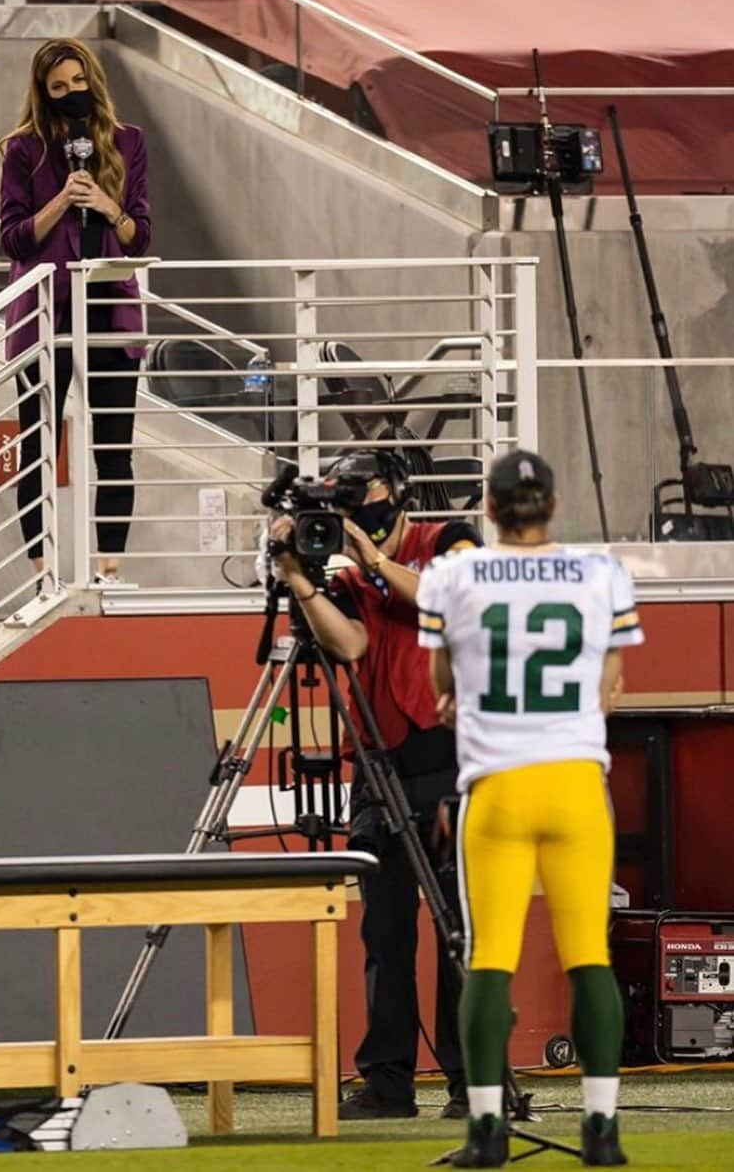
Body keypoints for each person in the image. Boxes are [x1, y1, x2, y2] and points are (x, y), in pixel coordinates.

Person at [416, 449, 643, 1168]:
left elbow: (441, 685)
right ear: (552, 502)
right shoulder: (601, 572)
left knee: (490, 960)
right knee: (588, 957)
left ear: (487, 509)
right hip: (577, 783)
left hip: (500, 787)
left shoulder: (452, 574)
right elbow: (611, 684)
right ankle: (601, 1129)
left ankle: (487, 1131)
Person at [269, 448, 481, 1121]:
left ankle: (472, 1081)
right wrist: (297, 576)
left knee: (459, 929)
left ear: (400, 497)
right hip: (379, 761)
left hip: (450, 755)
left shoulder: (448, 540)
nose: (361, 514)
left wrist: (375, 560)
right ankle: (387, 1081)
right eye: (349, 504)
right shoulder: (337, 564)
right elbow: (351, 645)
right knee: (385, 936)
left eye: (371, 499)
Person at [0, 38, 151, 588]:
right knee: (39, 445)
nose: (71, 95)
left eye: (77, 83)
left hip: (110, 306)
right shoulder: (23, 149)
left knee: (113, 446)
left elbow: (140, 236)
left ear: (94, 82)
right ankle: (44, 575)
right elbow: (13, 239)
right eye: (58, 88)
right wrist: (62, 199)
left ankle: (109, 570)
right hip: (45, 311)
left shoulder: (127, 143)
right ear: (43, 93)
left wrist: (108, 207)